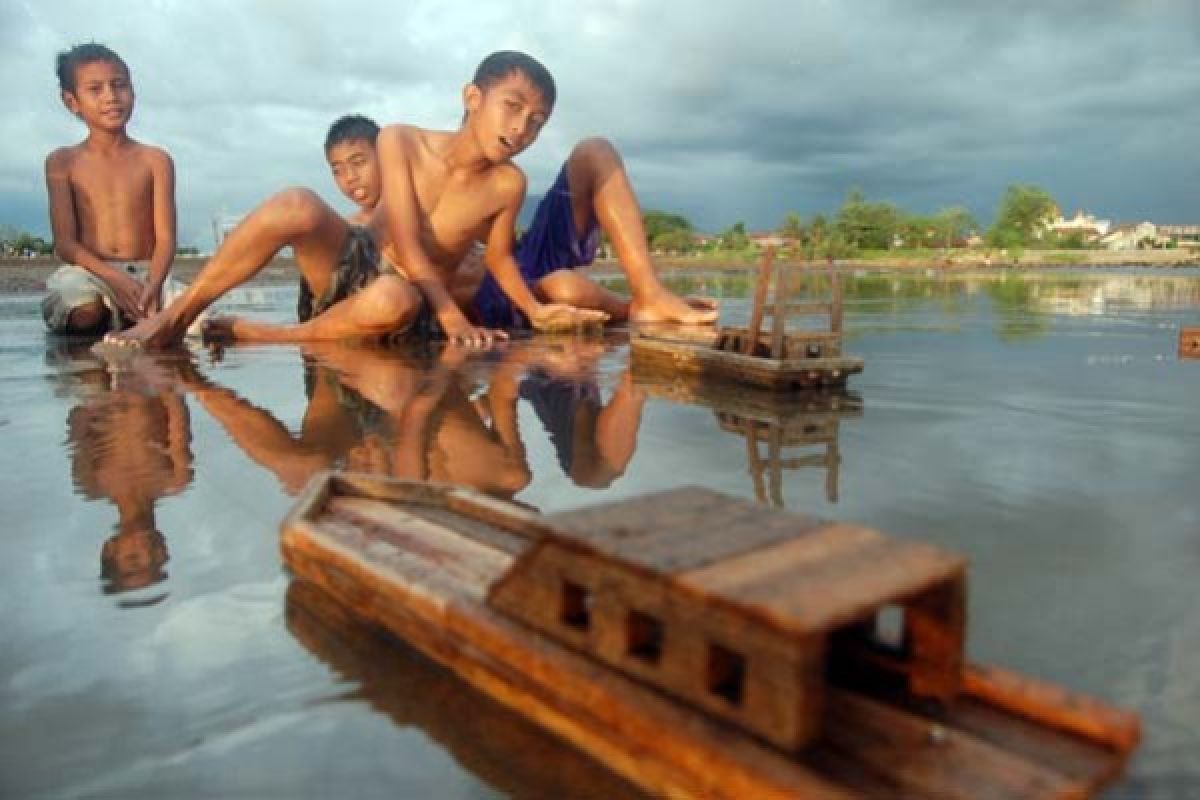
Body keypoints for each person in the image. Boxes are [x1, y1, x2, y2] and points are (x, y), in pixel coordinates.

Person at [106, 51, 716, 349]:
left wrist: (529, 309)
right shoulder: (399, 140)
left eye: (536, 122)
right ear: (471, 96)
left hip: (405, 293)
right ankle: (174, 318)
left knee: (409, 296)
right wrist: (451, 313)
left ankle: (256, 333)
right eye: (513, 108)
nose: (523, 128)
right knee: (296, 202)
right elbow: (400, 232)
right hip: (366, 269)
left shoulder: (510, 183)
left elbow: (501, 259)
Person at [43, 43, 178, 335]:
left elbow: (166, 239)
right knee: (82, 309)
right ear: (72, 101)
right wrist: (115, 280)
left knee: (198, 319)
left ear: (132, 90)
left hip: (148, 273)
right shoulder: (62, 162)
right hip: (90, 274)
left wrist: (153, 284)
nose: (111, 97)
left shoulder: (156, 160)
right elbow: (66, 244)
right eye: (95, 89)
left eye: (119, 85)